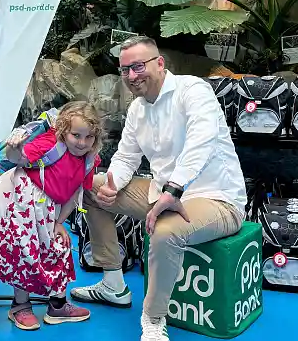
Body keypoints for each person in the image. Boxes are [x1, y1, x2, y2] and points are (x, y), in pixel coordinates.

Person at [69, 36, 247, 341]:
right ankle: (113, 284)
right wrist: (111, 184)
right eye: (125, 70)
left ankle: (153, 318)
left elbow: (201, 143)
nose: (131, 76)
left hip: (217, 199)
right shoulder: (138, 109)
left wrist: (174, 190)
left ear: (159, 63)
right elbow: (126, 156)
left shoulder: (193, 91)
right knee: (91, 187)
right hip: (161, 193)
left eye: (138, 66)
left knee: (165, 232)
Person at [0, 101, 99, 330]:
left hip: (48, 209)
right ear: (63, 130)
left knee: (59, 247)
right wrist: (14, 147)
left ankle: (57, 305)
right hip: (20, 200)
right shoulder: (50, 142)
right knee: (24, 250)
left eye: (89, 137)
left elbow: (74, 193)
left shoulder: (90, 160)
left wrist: (59, 223)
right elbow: (19, 159)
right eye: (76, 135)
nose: (82, 142)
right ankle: (20, 305)